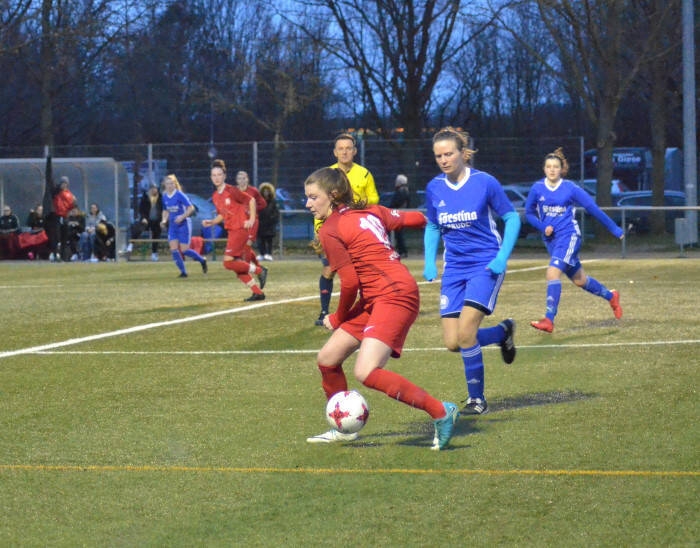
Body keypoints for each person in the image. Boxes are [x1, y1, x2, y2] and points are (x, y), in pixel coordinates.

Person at [304, 167, 458, 450]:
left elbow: (349, 282)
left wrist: (337, 317)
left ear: (333, 195)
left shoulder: (330, 229)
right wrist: (443, 217)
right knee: (328, 358)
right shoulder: (372, 212)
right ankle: (343, 427)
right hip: (379, 297)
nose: (308, 204)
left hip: (393, 296)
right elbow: (413, 218)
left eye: (314, 197)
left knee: (367, 371)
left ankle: (440, 411)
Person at [423, 127, 520, 416]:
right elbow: (432, 225)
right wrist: (430, 261)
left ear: (462, 153)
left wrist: (502, 258)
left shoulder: (485, 182)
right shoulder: (434, 187)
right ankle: (503, 332)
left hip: (485, 264)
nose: (443, 159)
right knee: (453, 342)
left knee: (467, 334)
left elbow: (512, 217)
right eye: (438, 155)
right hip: (454, 269)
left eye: (449, 153)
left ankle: (476, 400)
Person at [525, 147, 624, 333]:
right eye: (548, 166)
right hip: (551, 241)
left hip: (569, 236)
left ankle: (548, 319)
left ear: (562, 169)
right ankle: (611, 296)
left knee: (552, 273)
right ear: (544, 169)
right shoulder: (537, 188)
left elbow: (592, 208)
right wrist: (542, 227)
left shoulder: (570, 188)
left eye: (556, 166)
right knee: (580, 280)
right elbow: (529, 213)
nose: (552, 170)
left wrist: (614, 228)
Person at [313, 132, 379, 326]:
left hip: (357, 232)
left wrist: (358, 202)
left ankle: (365, 310)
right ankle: (324, 311)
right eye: (340, 149)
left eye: (348, 148)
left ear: (355, 151)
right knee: (329, 269)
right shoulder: (326, 175)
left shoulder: (365, 174)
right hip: (332, 231)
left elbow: (374, 199)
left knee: (361, 271)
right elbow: (318, 203)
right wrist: (318, 229)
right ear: (334, 152)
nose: (344, 152)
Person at [202, 159, 268, 301]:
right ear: (210, 177)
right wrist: (212, 222)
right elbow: (222, 214)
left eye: (219, 174)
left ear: (224, 176)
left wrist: (250, 220)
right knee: (237, 267)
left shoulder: (231, 190)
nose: (216, 178)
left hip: (239, 229)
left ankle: (259, 270)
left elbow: (250, 200)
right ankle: (257, 292)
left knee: (227, 262)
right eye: (213, 175)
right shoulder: (215, 196)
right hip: (232, 230)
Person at [160, 174, 208, 278]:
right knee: (173, 249)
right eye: (167, 184)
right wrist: (164, 220)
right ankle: (183, 272)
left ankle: (202, 260)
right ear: (165, 185)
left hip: (184, 224)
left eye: (171, 183)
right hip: (173, 226)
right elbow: (166, 210)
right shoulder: (164, 196)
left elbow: (191, 208)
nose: (169, 186)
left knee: (185, 250)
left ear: (175, 184)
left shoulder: (179, 195)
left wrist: (182, 217)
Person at [235, 170, 266, 265]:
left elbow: (263, 204)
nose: (242, 180)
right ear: (237, 180)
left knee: (248, 244)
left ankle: (246, 267)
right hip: (240, 222)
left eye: (244, 178)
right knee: (243, 246)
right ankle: (258, 266)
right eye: (239, 178)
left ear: (247, 179)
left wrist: (253, 210)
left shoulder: (253, 191)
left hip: (252, 221)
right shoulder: (234, 191)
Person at [52, 176, 77, 261]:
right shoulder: (56, 192)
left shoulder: (69, 194)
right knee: (56, 236)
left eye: (65, 183)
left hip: (65, 217)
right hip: (57, 217)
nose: (63, 185)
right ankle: (56, 254)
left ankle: (64, 256)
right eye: (62, 183)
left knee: (64, 237)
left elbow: (72, 206)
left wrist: (70, 212)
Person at [138, 183, 163, 261]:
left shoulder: (161, 197)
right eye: (152, 188)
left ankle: (154, 253)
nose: (153, 190)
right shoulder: (145, 197)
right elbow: (141, 209)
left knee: (156, 235)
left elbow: (164, 209)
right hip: (147, 220)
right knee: (138, 228)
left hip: (157, 220)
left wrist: (163, 220)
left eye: (155, 188)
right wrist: (143, 218)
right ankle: (130, 245)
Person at [389, 173, 411, 257]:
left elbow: (395, 203)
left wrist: (390, 208)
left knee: (399, 234)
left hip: (398, 215)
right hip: (400, 215)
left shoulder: (401, 191)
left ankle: (402, 251)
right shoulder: (406, 190)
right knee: (398, 234)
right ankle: (401, 250)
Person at [256, 182, 279, 261]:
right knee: (260, 240)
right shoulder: (258, 201)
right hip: (260, 224)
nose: (266, 193)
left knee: (269, 240)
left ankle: (269, 254)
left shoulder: (273, 201)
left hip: (269, 224)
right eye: (264, 191)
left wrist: (272, 220)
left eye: (267, 191)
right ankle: (262, 254)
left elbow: (276, 213)